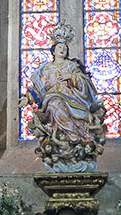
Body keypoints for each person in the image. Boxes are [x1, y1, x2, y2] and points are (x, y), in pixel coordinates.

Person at [19, 37, 106, 170]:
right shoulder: (47, 68)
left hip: (73, 98)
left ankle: (77, 138)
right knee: (55, 104)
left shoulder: (72, 66)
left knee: (78, 113)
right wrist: (28, 98)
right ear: (53, 51)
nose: (62, 49)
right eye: (60, 47)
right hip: (52, 98)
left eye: (65, 48)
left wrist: (71, 77)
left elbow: (86, 83)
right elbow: (39, 88)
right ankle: (72, 137)